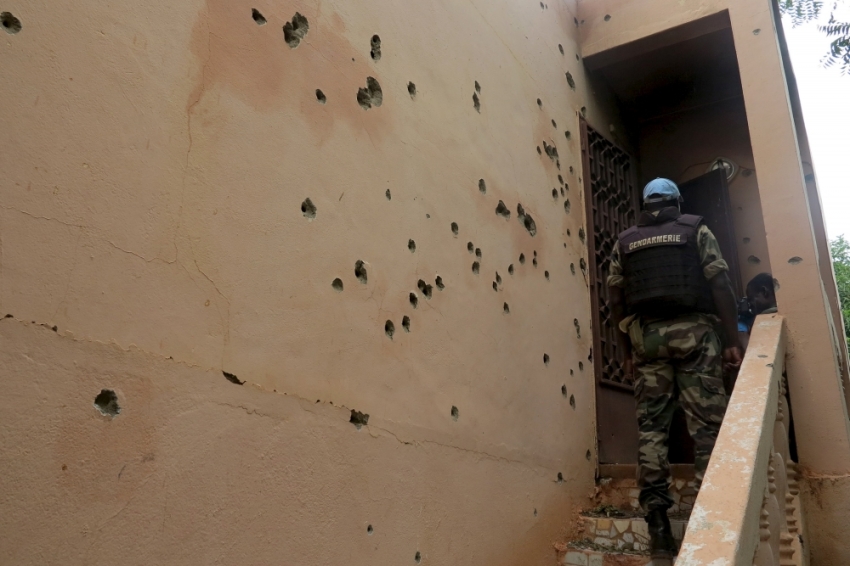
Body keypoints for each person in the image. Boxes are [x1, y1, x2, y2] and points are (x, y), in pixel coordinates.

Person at [607, 178, 743, 559]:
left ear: (645, 204)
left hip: (646, 339)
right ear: (676, 203)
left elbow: (615, 300)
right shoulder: (694, 229)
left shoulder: (625, 241)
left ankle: (658, 527)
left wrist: (627, 351)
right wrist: (732, 338)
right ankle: (711, 515)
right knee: (707, 426)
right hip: (695, 335)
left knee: (652, 429)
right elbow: (720, 282)